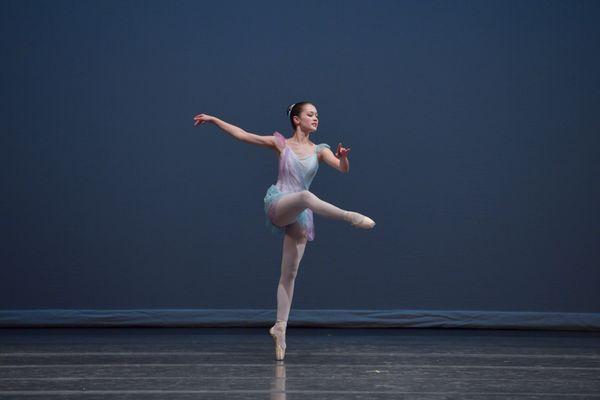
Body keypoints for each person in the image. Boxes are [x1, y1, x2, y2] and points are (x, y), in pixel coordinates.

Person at [193, 102, 375, 360]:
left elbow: (342, 169)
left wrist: (343, 156)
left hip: (301, 215)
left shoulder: (319, 150)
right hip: (280, 203)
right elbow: (243, 135)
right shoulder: (281, 144)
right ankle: (350, 216)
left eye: (317, 115)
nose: (316, 118)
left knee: (289, 274)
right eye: (310, 114)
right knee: (305, 195)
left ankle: (280, 329)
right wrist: (214, 119)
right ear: (297, 120)